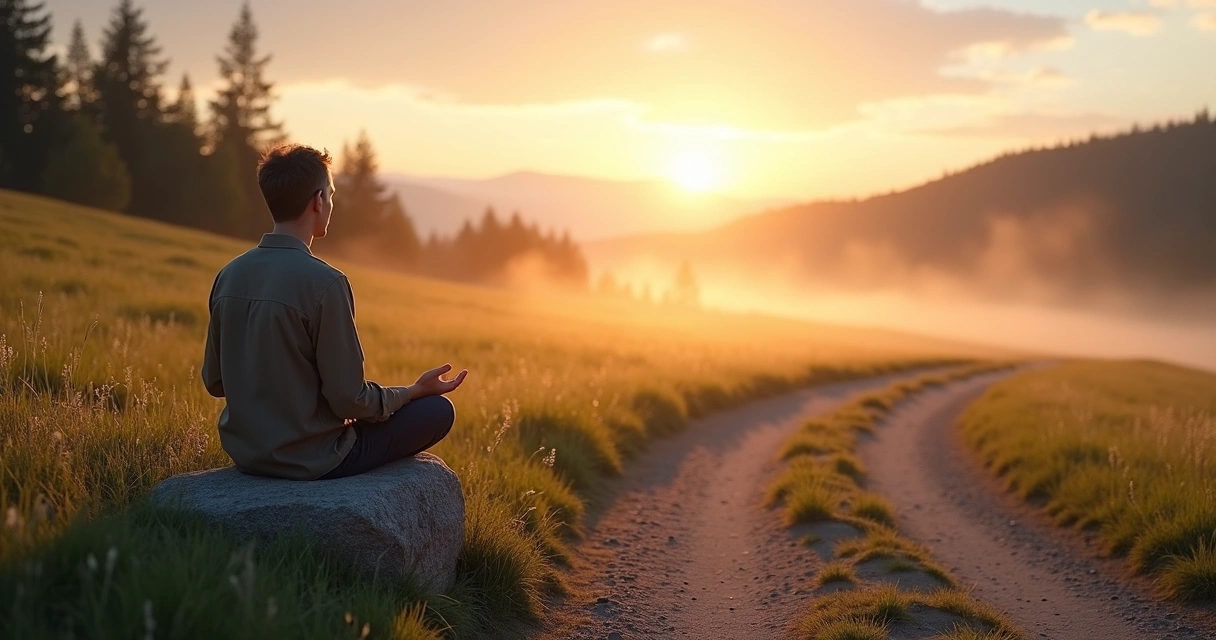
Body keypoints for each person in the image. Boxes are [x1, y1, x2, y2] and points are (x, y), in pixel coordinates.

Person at [201, 144, 467, 480]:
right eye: (331, 193)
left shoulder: (229, 275)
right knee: (437, 411)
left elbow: (214, 381)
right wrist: (413, 392)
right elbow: (349, 401)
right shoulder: (326, 283)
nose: (331, 202)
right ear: (318, 201)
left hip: (247, 455)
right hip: (315, 459)